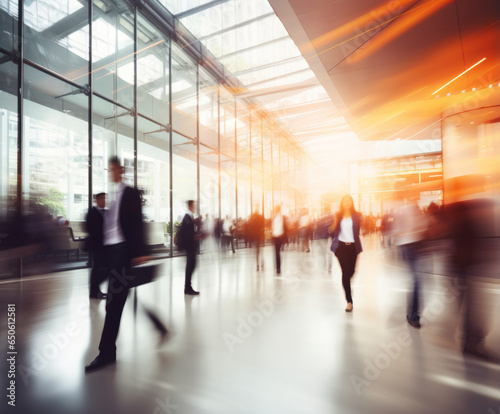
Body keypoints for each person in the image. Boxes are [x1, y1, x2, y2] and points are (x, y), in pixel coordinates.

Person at [85, 157, 167, 373]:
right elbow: (110, 229)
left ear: (121, 170)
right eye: (109, 169)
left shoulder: (129, 193)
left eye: (114, 169)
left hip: (122, 254)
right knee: (123, 299)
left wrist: (140, 252)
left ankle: (106, 353)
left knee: (114, 303)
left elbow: (136, 223)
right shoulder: (112, 198)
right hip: (112, 255)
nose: (111, 173)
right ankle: (160, 328)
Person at [394, 194, 427, 328]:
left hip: (416, 246)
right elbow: (398, 230)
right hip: (408, 246)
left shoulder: (418, 211)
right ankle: (413, 314)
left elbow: (423, 228)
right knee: (416, 279)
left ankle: (413, 313)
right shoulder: (405, 210)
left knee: (417, 280)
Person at [329, 195, 363, 312]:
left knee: (351, 272)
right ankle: (349, 301)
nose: (347, 202)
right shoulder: (338, 215)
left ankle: (347, 285)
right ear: (342, 203)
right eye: (345, 201)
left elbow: (358, 231)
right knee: (345, 272)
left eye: (349, 201)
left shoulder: (357, 215)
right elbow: (332, 231)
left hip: (353, 247)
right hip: (341, 247)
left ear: (352, 202)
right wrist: (334, 222)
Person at [85, 192, 108, 300]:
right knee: (98, 268)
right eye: (103, 199)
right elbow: (90, 229)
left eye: (105, 199)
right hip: (97, 245)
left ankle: (95, 290)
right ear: (97, 200)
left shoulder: (105, 212)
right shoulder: (92, 212)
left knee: (101, 268)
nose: (104, 201)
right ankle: (94, 291)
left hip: (104, 246)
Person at [178, 200, 200, 295]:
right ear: (190, 206)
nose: (195, 208)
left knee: (192, 265)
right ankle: (187, 288)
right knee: (191, 265)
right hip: (189, 246)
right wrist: (196, 236)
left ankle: (188, 287)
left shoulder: (189, 217)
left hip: (190, 246)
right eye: (194, 206)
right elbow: (188, 233)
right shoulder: (187, 217)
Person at [248, 205, 265, 270]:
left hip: (256, 236)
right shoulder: (260, 217)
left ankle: (258, 264)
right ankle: (261, 263)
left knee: (257, 251)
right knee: (260, 251)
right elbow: (262, 226)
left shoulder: (253, 218)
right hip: (259, 236)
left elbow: (251, 227)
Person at [271, 205, 287, 275]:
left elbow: (273, 227)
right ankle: (278, 268)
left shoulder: (276, 217)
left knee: (277, 253)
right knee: (278, 253)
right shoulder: (281, 217)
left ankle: (278, 268)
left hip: (277, 236)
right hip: (278, 236)